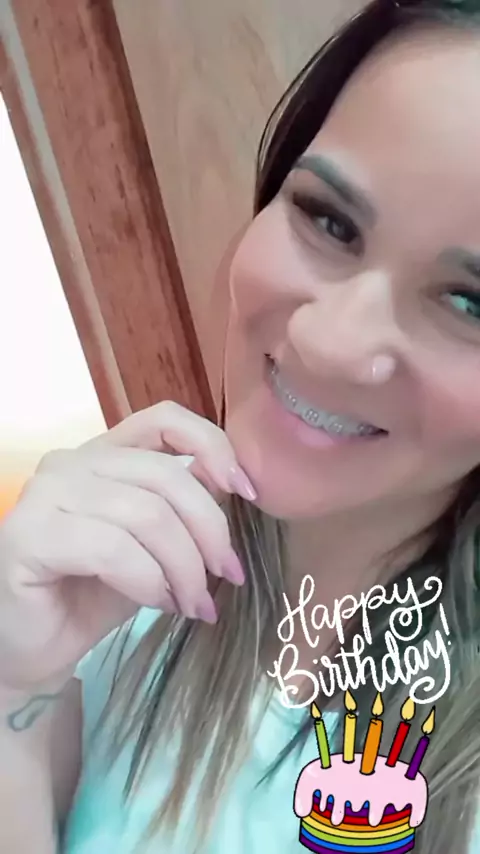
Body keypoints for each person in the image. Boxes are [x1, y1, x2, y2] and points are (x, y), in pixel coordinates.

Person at [1, 1, 480, 852]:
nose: (329, 343)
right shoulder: (117, 577)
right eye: (328, 219)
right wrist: (15, 681)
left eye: (470, 303)